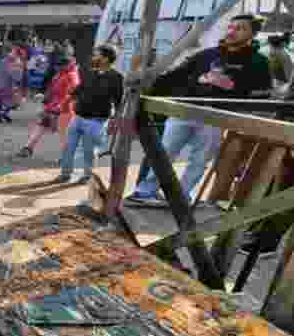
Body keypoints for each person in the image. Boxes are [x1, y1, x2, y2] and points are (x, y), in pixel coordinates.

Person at [126, 14, 273, 205]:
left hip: (217, 117)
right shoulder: (207, 54)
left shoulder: (259, 62)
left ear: (252, 33)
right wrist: (146, 84)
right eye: (231, 27)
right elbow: (174, 76)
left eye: (240, 28)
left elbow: (263, 94)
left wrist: (233, 91)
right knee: (165, 152)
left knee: (199, 161)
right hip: (185, 111)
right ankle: (145, 193)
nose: (232, 31)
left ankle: (181, 196)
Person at [55, 45, 123, 184]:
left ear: (105, 58)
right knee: (68, 147)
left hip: (96, 121)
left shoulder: (116, 77)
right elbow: (78, 90)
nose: (94, 57)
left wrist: (115, 121)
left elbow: (118, 101)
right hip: (78, 117)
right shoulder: (90, 72)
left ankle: (87, 175)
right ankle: (65, 174)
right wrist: (66, 101)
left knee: (89, 151)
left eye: (97, 55)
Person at [16, 53, 80, 158]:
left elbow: (72, 93)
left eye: (60, 65)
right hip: (53, 106)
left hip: (65, 109)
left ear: (67, 65)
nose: (57, 67)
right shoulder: (60, 74)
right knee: (41, 126)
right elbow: (53, 88)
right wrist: (45, 98)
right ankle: (28, 148)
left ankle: (67, 156)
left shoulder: (72, 76)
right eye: (58, 65)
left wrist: (61, 104)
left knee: (63, 133)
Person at [0, 40, 27, 123]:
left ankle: (1, 114)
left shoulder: (14, 58)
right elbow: (14, 73)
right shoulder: (8, 59)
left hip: (6, 83)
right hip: (3, 83)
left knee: (8, 101)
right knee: (4, 100)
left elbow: (16, 72)